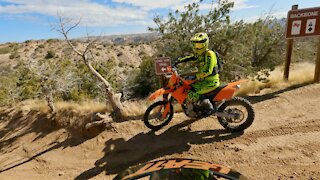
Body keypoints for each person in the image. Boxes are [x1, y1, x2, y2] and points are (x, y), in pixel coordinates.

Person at [173, 32, 220, 110]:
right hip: (203, 80)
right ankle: (197, 106)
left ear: (205, 44)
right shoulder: (201, 54)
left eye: (200, 45)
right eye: (196, 45)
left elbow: (207, 71)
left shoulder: (209, 54)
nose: (197, 47)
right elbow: (191, 57)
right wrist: (179, 61)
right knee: (189, 88)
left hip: (211, 82)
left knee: (193, 93)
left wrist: (196, 76)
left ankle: (208, 109)